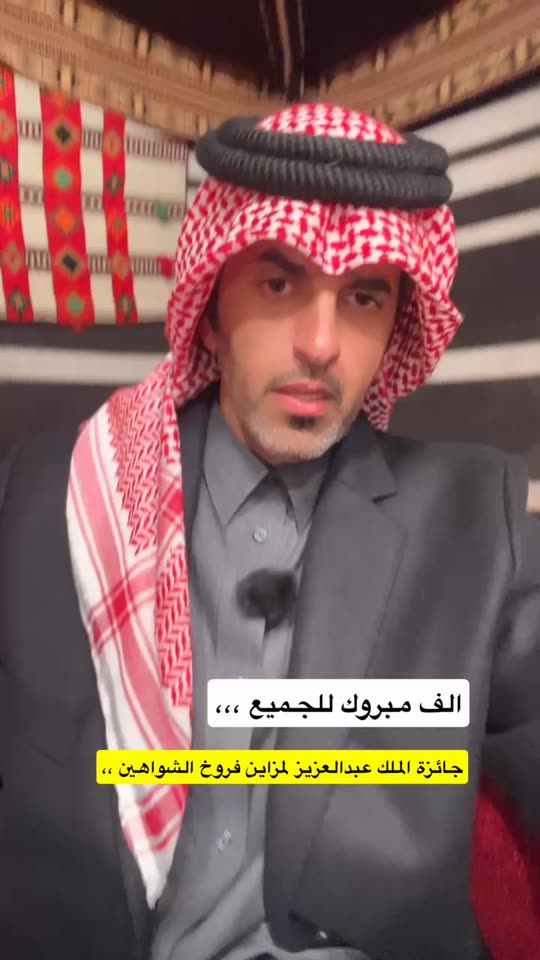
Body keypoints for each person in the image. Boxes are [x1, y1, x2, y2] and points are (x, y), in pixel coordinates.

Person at [0, 104, 539, 960]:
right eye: (279, 285)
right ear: (212, 308)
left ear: (397, 328)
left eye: (363, 297)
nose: (320, 344)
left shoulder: (473, 519)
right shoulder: (60, 497)